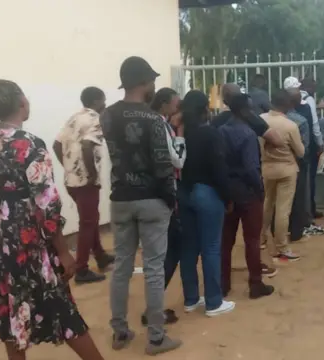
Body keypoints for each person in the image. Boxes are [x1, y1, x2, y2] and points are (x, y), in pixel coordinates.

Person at [0, 80, 104, 360]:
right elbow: (46, 205)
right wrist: (62, 251)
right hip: (24, 232)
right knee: (59, 303)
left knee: (9, 305)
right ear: (22, 103)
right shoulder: (29, 144)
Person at [101, 56, 181, 355]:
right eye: (152, 81)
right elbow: (162, 164)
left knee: (121, 266)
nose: (154, 86)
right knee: (154, 269)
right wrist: (171, 199)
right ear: (144, 82)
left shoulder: (107, 115)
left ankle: (120, 331)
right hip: (151, 200)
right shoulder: (152, 119)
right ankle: (156, 339)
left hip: (121, 198)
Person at [179, 90, 236, 317]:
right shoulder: (210, 134)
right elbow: (219, 169)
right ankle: (214, 301)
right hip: (207, 192)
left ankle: (191, 299)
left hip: (185, 192)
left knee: (189, 248)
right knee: (211, 247)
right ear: (205, 109)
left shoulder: (180, 133)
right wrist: (228, 197)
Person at [53, 86, 114, 285]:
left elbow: (56, 145)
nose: (104, 104)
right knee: (88, 222)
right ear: (97, 101)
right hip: (86, 182)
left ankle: (100, 255)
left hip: (71, 181)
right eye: (103, 100)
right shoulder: (95, 118)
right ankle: (81, 269)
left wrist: (70, 167)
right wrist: (92, 174)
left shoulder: (74, 118)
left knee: (90, 218)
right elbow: (88, 146)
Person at [137, 87, 186, 327]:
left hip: (141, 192)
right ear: (164, 104)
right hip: (162, 193)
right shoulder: (161, 125)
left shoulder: (144, 122)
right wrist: (180, 133)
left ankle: (153, 307)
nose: (178, 107)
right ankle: (153, 310)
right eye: (175, 103)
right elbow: (177, 159)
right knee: (168, 251)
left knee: (156, 253)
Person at [219, 93, 276, 298]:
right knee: (252, 239)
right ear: (243, 110)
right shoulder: (248, 134)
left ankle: (223, 283)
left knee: (226, 241)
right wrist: (259, 190)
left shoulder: (221, 131)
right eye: (250, 109)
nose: (253, 112)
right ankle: (255, 284)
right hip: (248, 192)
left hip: (227, 191)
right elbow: (252, 168)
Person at [260, 89, 306, 263]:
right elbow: (301, 152)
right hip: (286, 170)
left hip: (266, 168)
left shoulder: (261, 119)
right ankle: (282, 247)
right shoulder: (290, 125)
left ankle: (261, 239)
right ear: (287, 105)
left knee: (266, 205)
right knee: (282, 210)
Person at [284, 77, 324, 236]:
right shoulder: (308, 103)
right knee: (306, 184)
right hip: (303, 152)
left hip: (284, 156)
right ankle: (306, 215)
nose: (314, 88)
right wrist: (320, 143)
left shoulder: (281, 110)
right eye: (312, 85)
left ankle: (289, 222)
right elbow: (314, 125)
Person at [212, 83, 282, 147]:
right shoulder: (251, 118)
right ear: (242, 96)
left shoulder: (216, 121)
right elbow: (276, 140)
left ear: (224, 101)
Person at [300, 76, 324, 219]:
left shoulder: (292, 99)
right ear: (309, 87)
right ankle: (310, 209)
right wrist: (320, 143)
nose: (315, 91)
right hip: (310, 144)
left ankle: (302, 209)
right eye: (314, 88)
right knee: (311, 177)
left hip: (295, 143)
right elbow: (315, 124)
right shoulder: (309, 100)